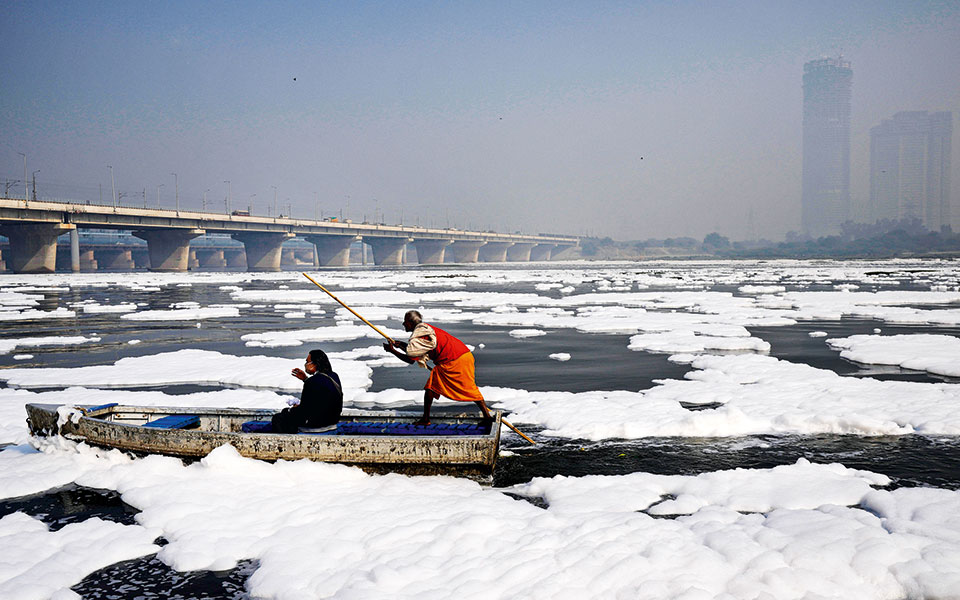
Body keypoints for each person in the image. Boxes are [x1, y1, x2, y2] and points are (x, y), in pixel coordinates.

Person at [383, 310, 492, 425]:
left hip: (454, 359)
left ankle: (426, 419)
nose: (403, 324)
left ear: (410, 322)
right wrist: (402, 345)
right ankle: (486, 416)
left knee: (433, 387)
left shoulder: (420, 335)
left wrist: (392, 351)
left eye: (405, 321)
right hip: (463, 355)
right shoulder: (425, 329)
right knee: (462, 387)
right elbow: (417, 350)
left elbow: (410, 359)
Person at [271, 349, 343, 433]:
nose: (305, 365)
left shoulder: (312, 381)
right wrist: (305, 379)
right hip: (332, 422)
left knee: (278, 418)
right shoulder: (334, 376)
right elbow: (321, 391)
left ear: (315, 364)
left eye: (307, 362)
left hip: (317, 425)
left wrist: (289, 410)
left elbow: (304, 411)